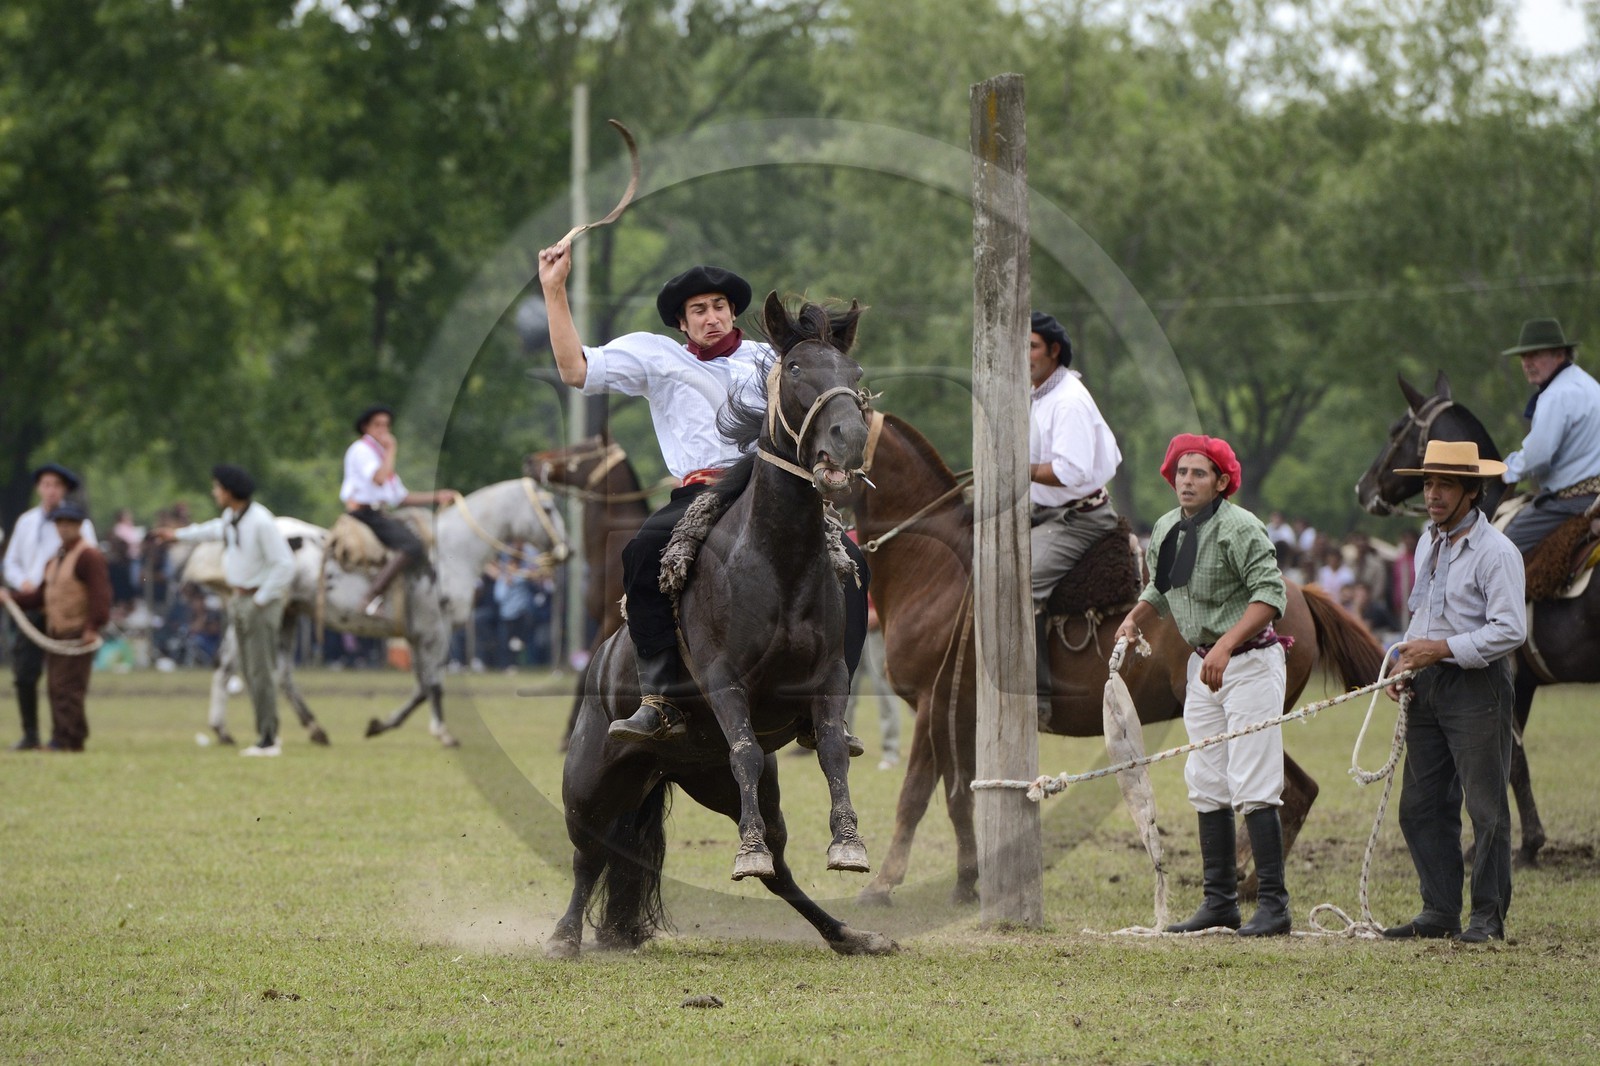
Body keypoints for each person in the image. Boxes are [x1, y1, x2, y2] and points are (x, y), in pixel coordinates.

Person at [537, 242, 868, 746]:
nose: (711, 317)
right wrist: (554, 290)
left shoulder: (773, 361)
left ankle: (828, 711)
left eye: (718, 306)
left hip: (773, 490)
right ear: (682, 323)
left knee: (855, 563)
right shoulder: (656, 356)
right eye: (698, 310)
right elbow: (574, 369)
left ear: (732, 311)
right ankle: (660, 699)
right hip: (699, 494)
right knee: (641, 554)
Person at [1115, 433, 1292, 937]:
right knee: (1206, 780)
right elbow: (1160, 587)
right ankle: (1220, 902)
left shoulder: (1242, 528)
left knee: (1254, 782)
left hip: (1251, 665)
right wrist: (1135, 618)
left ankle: (1275, 905)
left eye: (1199, 473)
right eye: (1181, 472)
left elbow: (1270, 594)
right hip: (1203, 669)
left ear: (1221, 481)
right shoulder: (1169, 526)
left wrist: (1225, 645)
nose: (1187, 481)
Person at [1382, 440, 1526, 943]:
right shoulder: (1428, 542)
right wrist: (1405, 661)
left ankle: (1487, 918)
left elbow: (1511, 630)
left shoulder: (1496, 552)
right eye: (1427, 483)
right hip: (1427, 682)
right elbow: (1424, 614)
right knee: (1420, 805)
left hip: (1476, 683)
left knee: (1485, 808)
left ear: (1472, 492)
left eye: (1445, 484)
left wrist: (1439, 649)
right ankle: (1439, 911)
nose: (1433, 494)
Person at [159, 465, 295, 756]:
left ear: (230, 491)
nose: (214, 492)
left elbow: (284, 563)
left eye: (217, 487)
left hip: (259, 600)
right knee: (248, 671)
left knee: (262, 672)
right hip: (239, 598)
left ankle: (269, 739)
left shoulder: (261, 522)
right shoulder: (232, 518)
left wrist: (262, 599)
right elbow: (212, 530)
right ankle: (264, 735)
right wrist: (178, 536)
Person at [1027, 311, 1122, 723]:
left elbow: (1070, 471)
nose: (1022, 355)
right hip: (1040, 507)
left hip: (1082, 517)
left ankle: (1036, 697)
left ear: (1054, 351)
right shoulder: (1036, 392)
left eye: (1030, 346)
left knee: (1020, 583)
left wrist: (1017, 468)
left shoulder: (1068, 401)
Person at [0, 501, 110, 752]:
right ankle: (70, 737)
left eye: (69, 524)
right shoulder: (56, 559)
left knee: (67, 687)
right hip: (57, 631)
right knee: (58, 685)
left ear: (79, 526)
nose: (63, 529)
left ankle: (66, 739)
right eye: (59, 524)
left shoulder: (88, 556)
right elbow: (40, 596)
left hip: (77, 630)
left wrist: (92, 626)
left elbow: (100, 595)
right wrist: (11, 598)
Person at [340, 405, 458, 616]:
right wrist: (392, 449)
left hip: (379, 512)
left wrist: (437, 496)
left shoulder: (379, 455)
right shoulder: (362, 450)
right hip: (364, 513)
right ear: (366, 428)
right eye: (377, 425)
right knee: (412, 545)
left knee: (423, 540)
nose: (383, 429)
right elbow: (379, 479)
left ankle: (415, 600)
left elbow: (400, 497)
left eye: (386, 425)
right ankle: (371, 596)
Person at [1499, 318, 1600, 554]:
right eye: (1524, 357)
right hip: (1592, 496)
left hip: (1571, 502)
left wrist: (1504, 471)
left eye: (1535, 355)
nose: (1527, 363)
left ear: (1559, 354)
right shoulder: (1589, 384)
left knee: (1500, 548)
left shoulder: (1556, 395)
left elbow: (1537, 456)